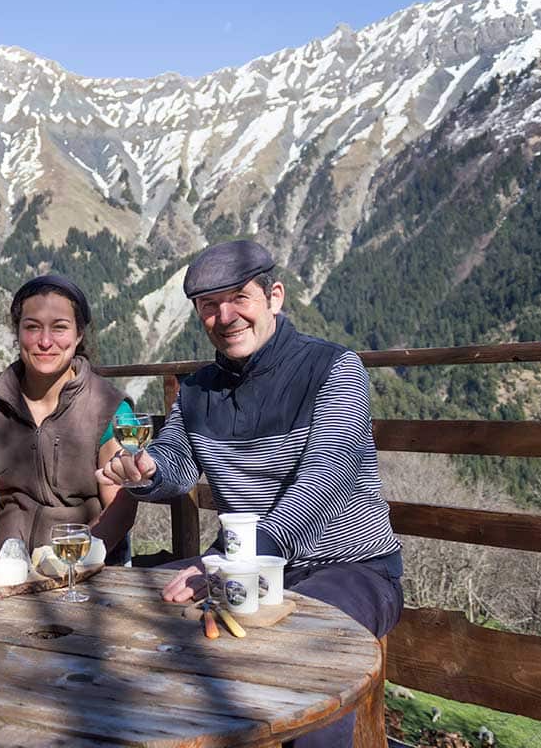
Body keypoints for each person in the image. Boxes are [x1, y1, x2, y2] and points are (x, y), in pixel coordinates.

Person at [97, 240, 402, 747]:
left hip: (348, 567)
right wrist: (147, 470)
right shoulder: (197, 391)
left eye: (239, 297)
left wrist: (227, 565)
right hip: (238, 563)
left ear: (274, 297)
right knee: (125, 613)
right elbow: (176, 462)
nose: (225, 316)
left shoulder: (333, 368)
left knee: (306, 656)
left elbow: (325, 488)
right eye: (209, 306)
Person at [0, 274, 138, 561]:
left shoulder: (110, 409)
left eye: (60, 328)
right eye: (32, 327)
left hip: (88, 564)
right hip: (8, 566)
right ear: (17, 332)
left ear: (79, 335)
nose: (44, 341)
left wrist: (75, 562)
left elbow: (119, 508)